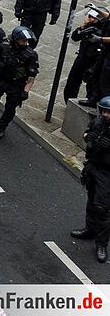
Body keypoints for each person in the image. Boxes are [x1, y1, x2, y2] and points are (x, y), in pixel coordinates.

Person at [72, 96, 110, 264]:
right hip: (93, 166)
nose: (106, 115)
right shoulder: (97, 122)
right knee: (91, 200)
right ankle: (90, 229)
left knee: (103, 208)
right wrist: (91, 138)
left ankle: (101, 244)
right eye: (104, 111)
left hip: (107, 173)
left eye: (109, 112)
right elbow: (86, 135)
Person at [0, 26, 39, 139]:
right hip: (1, 80)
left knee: (10, 109)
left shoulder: (30, 55)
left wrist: (26, 91)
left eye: (26, 41)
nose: (25, 43)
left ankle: (1, 127)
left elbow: (32, 76)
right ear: (16, 40)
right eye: (23, 41)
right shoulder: (4, 47)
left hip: (16, 85)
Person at [63, 6, 109, 106]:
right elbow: (75, 37)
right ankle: (69, 103)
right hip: (82, 58)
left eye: (94, 18)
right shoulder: (88, 26)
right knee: (72, 83)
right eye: (90, 17)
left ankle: (91, 102)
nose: (91, 19)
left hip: (94, 61)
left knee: (92, 85)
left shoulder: (104, 30)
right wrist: (83, 26)